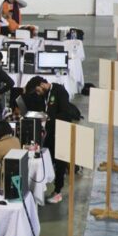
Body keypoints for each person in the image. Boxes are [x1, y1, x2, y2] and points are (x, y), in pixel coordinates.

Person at [24, 76, 76, 204]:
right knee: (47, 157)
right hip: (51, 132)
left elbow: (66, 114)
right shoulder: (45, 95)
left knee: (60, 162)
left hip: (62, 131)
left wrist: (48, 118)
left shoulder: (60, 92)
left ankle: (58, 191)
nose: (37, 94)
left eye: (37, 90)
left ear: (42, 84)